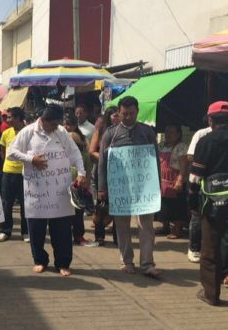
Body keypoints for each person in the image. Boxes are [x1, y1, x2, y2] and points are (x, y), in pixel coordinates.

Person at [7, 104, 86, 276]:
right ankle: (40, 260)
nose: (56, 127)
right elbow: (10, 152)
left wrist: (81, 172)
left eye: (58, 124)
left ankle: (63, 263)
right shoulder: (28, 132)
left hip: (60, 192)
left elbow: (75, 153)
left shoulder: (62, 133)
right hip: (36, 193)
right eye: (53, 124)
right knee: (36, 229)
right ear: (43, 120)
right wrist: (30, 159)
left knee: (63, 230)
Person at [98, 96, 161, 278]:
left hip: (145, 189)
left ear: (137, 112)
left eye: (131, 113)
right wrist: (102, 188)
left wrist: (157, 185)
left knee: (146, 226)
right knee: (122, 226)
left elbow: (154, 160)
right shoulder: (111, 134)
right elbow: (102, 162)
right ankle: (126, 261)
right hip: (120, 190)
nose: (127, 117)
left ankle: (147, 263)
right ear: (118, 112)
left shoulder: (147, 132)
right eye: (124, 114)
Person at [189, 101, 228, 306]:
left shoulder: (207, 141)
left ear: (211, 120)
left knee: (210, 250)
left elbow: (195, 177)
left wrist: (192, 201)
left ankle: (211, 294)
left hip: (213, 206)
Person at [0, 107, 28, 243]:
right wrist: (7, 165)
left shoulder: (28, 133)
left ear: (19, 118)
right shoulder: (6, 133)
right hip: (8, 172)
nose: (8, 120)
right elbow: (3, 151)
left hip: (24, 173)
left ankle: (26, 231)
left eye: (10, 117)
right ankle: (5, 230)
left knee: (25, 204)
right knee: (6, 203)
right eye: (7, 117)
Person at [89, 106, 120, 246]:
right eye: (115, 115)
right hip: (102, 171)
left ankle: (117, 237)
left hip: (119, 173)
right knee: (101, 204)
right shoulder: (102, 129)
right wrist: (105, 158)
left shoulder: (124, 131)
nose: (118, 118)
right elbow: (92, 151)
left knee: (118, 205)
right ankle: (99, 236)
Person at [63, 114, 93, 246]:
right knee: (65, 213)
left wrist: (85, 183)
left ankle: (78, 235)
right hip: (64, 185)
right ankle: (66, 235)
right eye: (64, 124)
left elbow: (87, 170)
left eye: (68, 124)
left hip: (78, 185)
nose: (66, 127)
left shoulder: (83, 153)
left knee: (78, 212)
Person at [185, 123, 212, 263]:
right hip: (201, 180)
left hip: (224, 183)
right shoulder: (202, 134)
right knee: (197, 214)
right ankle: (194, 248)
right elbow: (190, 156)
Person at [157, 124, 188, 239]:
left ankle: (177, 230)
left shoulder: (181, 147)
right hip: (162, 180)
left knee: (177, 206)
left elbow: (184, 166)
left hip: (175, 179)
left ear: (178, 134)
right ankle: (165, 227)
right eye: (167, 132)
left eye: (171, 132)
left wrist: (180, 180)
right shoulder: (161, 146)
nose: (168, 134)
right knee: (163, 205)